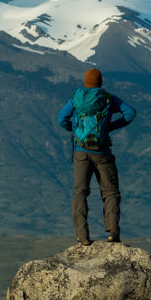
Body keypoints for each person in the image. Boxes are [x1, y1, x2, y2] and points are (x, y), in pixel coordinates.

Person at [57, 68, 136, 247]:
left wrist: (76, 132)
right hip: (103, 153)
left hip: (81, 152)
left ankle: (82, 236)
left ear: (85, 83)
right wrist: (110, 127)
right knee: (110, 192)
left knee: (80, 192)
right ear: (100, 83)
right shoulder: (108, 98)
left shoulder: (76, 98)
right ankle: (113, 231)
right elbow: (130, 113)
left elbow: (61, 119)